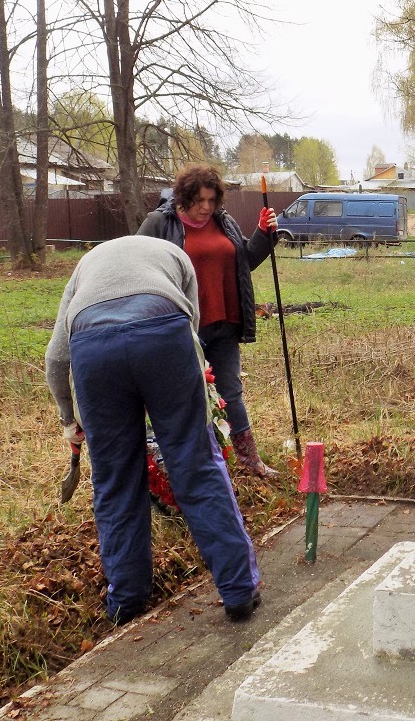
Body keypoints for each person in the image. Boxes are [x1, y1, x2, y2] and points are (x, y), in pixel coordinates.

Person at [44, 234, 261, 625]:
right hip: (165, 337)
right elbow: (191, 326)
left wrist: (68, 420)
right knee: (196, 465)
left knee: (114, 480)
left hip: (94, 350)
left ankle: (126, 601)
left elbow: (57, 358)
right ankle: (239, 590)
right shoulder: (176, 254)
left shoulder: (85, 265)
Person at [137, 164, 279, 478]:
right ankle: (183, 466)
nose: (206, 207)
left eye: (212, 200)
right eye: (199, 200)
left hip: (224, 323)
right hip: (182, 328)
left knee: (231, 393)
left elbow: (245, 260)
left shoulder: (223, 221)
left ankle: (249, 461)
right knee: (183, 397)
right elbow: (136, 266)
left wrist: (264, 233)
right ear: (183, 197)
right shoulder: (160, 223)